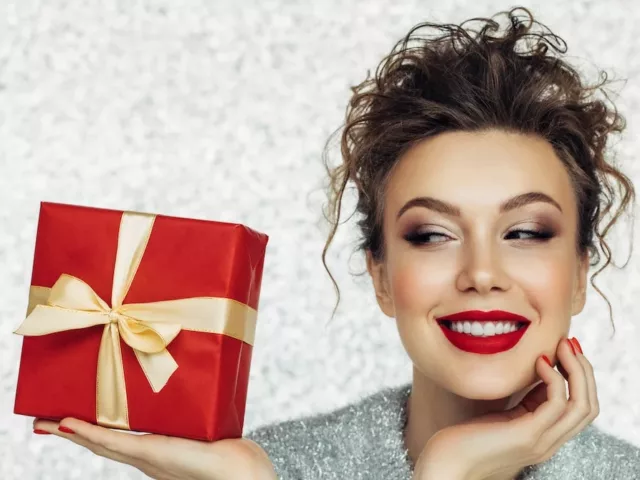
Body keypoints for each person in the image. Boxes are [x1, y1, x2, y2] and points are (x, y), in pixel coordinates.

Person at [31, 6, 640, 480]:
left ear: (583, 271)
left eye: (525, 233)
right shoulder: (264, 469)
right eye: (432, 235)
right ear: (379, 275)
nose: (482, 273)